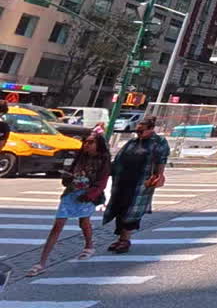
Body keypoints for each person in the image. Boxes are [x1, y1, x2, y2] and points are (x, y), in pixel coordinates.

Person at [26, 133, 111, 276]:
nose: (86, 145)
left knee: (84, 222)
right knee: (58, 225)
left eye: (91, 142)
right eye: (86, 142)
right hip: (71, 192)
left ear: (98, 144)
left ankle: (89, 245)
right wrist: (67, 177)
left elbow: (102, 181)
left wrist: (90, 194)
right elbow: (69, 174)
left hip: (88, 195)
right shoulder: (80, 156)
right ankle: (41, 263)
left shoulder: (104, 160)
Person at [102, 117, 169, 254]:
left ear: (151, 129)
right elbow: (119, 159)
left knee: (132, 211)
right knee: (119, 208)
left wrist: (159, 176)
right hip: (123, 180)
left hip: (141, 182)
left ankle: (125, 240)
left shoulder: (159, 142)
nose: (138, 133)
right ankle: (121, 238)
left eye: (141, 131)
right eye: (137, 131)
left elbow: (161, 160)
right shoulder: (132, 142)